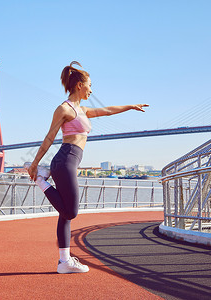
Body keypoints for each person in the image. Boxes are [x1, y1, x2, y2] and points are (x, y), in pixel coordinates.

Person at [26, 61, 149, 274]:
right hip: (64, 162)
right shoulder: (64, 109)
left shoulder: (82, 110)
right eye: (90, 85)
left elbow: (108, 110)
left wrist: (130, 106)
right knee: (71, 212)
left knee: (64, 215)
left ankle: (64, 262)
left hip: (70, 162)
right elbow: (49, 137)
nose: (92, 90)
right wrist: (35, 164)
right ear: (79, 85)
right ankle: (41, 179)